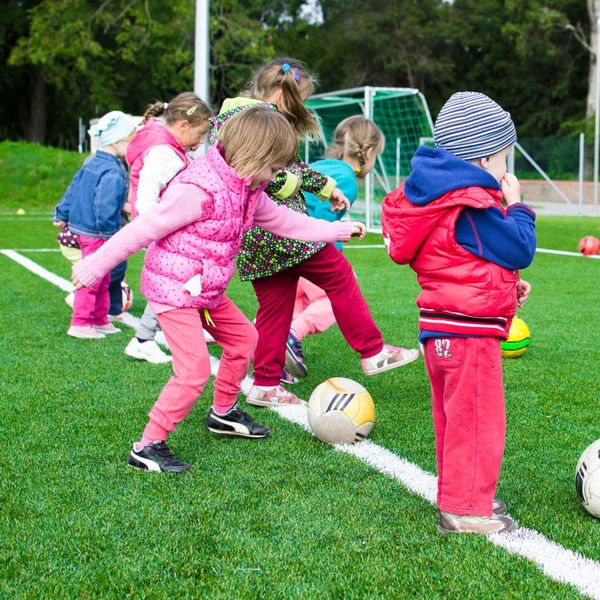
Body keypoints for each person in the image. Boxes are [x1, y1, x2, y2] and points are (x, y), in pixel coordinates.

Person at [71, 106, 366, 473]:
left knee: (245, 340)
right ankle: (147, 445)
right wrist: (94, 266)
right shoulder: (198, 190)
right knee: (193, 370)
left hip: (205, 290)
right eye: (274, 169)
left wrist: (336, 230)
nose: (277, 177)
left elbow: (283, 221)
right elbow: (143, 229)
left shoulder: (248, 188)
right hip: (174, 290)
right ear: (253, 156)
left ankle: (223, 413)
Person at [211, 58, 419, 407]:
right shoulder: (255, 121)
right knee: (339, 276)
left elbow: (290, 167)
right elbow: (267, 174)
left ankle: (264, 384)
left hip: (256, 239)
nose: (300, 109)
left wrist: (326, 189)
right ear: (281, 94)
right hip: (282, 232)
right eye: (300, 100)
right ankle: (372, 351)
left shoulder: (237, 115)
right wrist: (298, 187)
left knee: (275, 309)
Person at [381, 91, 536, 534]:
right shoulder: (470, 204)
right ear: (486, 158)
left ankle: (461, 494)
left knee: (455, 420)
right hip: (468, 336)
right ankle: (466, 509)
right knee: (477, 421)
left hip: (443, 329)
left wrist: (507, 289)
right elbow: (519, 246)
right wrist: (518, 205)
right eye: (505, 157)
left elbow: (462, 261)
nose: (507, 169)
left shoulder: (439, 199)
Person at [285, 115, 385, 379]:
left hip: (282, 247)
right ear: (369, 152)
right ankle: (293, 335)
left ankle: (267, 345)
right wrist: (340, 233)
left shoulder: (319, 165)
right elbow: (320, 218)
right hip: (307, 249)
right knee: (334, 296)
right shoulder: (348, 181)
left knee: (291, 303)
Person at [123, 92, 212, 364]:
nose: (199, 143)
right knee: (172, 282)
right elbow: (147, 194)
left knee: (183, 278)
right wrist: (156, 227)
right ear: (183, 126)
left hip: (165, 228)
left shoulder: (169, 147)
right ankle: (143, 339)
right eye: (199, 134)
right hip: (163, 230)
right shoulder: (164, 153)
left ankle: (162, 333)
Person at [54, 110, 137, 339]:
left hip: (86, 229)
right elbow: (105, 205)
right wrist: (110, 234)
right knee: (92, 276)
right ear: (119, 141)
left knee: (104, 276)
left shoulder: (92, 162)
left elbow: (73, 187)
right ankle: (80, 322)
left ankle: (99, 319)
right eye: (131, 141)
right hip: (98, 232)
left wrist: (62, 212)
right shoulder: (112, 170)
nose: (133, 147)